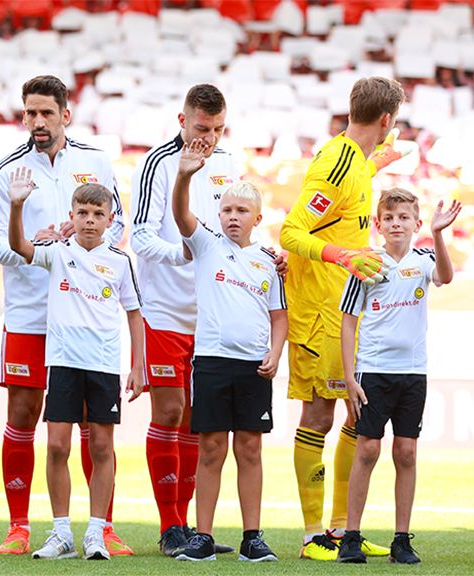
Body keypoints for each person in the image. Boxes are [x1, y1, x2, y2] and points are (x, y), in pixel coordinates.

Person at [0, 74, 131, 556]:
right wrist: (39, 242)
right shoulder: (6, 170)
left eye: (47, 112)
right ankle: (20, 525)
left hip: (85, 316)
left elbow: (120, 223)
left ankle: (100, 527)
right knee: (25, 414)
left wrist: (87, 238)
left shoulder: (96, 161)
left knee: (92, 425)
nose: (38, 121)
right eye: (31, 113)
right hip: (29, 313)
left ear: (66, 114)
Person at [280, 76, 405, 560]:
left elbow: (345, 204)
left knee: (356, 409)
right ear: (387, 120)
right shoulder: (335, 162)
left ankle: (342, 530)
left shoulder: (355, 162)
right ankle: (314, 536)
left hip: (345, 307)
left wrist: (377, 164)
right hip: (317, 311)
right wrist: (342, 256)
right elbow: (292, 231)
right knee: (319, 413)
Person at [127, 83, 243, 556]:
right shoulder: (156, 163)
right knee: (170, 411)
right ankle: (170, 523)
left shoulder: (229, 164)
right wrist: (185, 253)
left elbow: (237, 226)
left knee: (200, 420)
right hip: (165, 311)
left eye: (217, 129)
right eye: (201, 127)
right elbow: (138, 236)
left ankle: (195, 527)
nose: (209, 137)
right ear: (182, 120)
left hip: (213, 316)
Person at [8, 173, 145, 561]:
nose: (89, 220)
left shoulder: (120, 261)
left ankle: (97, 532)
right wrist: (17, 205)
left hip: (103, 366)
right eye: (82, 212)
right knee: (56, 446)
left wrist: (137, 366)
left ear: (110, 219)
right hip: (64, 363)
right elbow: (20, 247)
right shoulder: (58, 251)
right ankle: (61, 532)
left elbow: (134, 314)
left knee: (102, 447)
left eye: (97, 213)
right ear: (71, 214)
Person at [166, 139, 286, 562]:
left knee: (250, 448)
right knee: (212, 446)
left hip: (254, 367)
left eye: (241, 211)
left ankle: (252, 536)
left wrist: (276, 352)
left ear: (257, 217)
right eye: (227, 210)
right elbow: (181, 214)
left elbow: (279, 316)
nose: (233, 217)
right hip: (213, 362)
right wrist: (184, 173)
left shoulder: (269, 261)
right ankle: (202, 536)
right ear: (219, 215)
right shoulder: (206, 244)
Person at [336, 190, 461, 565]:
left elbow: (446, 277)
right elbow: (347, 321)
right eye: (389, 218)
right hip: (372, 370)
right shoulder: (367, 264)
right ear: (379, 224)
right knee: (368, 449)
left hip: (412, 372)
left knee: (406, 452)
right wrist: (349, 376)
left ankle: (401, 540)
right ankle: (351, 537)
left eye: (404, 218)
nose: (396, 224)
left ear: (416, 224)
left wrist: (439, 235)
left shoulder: (424, 259)